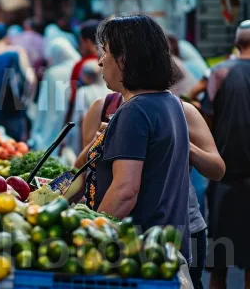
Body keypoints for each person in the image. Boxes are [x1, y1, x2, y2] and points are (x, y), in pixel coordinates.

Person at [77, 89, 224, 289]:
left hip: (182, 228)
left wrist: (178, 140)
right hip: (123, 227)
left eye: (106, 55)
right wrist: (106, 138)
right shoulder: (102, 107)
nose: (101, 61)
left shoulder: (181, 109)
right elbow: (80, 170)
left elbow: (217, 169)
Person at [91, 14, 192, 263]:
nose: (100, 62)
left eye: (105, 52)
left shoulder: (134, 110)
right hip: (166, 247)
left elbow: (125, 191)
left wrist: (90, 234)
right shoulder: (170, 102)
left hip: (138, 251)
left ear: (124, 59)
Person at [204, 21, 250, 289]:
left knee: (219, 266)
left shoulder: (220, 73)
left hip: (224, 183)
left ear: (236, 44)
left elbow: (206, 126)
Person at [30, 38, 80, 152]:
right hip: (73, 114)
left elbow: (44, 100)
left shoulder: (53, 72)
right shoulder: (78, 67)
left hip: (52, 114)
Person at [68, 60, 111, 155]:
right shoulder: (110, 91)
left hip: (86, 138)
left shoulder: (83, 92)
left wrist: (82, 152)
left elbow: (81, 119)